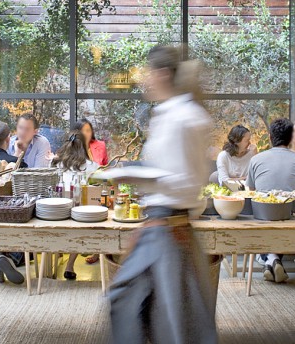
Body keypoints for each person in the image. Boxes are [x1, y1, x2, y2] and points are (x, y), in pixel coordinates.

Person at [109, 45, 217, 344]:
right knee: (172, 316)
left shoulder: (179, 118)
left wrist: (134, 176)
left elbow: (184, 182)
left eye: (147, 73)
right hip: (167, 225)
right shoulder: (180, 114)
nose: (144, 80)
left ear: (162, 74)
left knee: (152, 312)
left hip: (168, 229)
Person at [246, 118, 295, 283]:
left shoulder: (256, 159)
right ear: (290, 139)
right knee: (282, 214)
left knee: (267, 214)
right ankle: (273, 259)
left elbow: (251, 191)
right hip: (293, 216)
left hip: (263, 217)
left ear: (269, 137)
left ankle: (271, 259)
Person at [0, 115, 52, 285]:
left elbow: (37, 174)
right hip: (11, 197)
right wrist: (17, 153)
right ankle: (6, 259)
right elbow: (3, 176)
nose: (22, 132)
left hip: (34, 195)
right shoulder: (9, 144)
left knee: (26, 218)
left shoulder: (42, 143)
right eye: (20, 128)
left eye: (27, 129)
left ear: (35, 131)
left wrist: (19, 158)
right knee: (6, 216)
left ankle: (3, 259)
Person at [52, 130, 99, 279]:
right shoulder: (92, 166)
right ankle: (70, 265)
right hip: (79, 214)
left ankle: (50, 266)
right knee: (82, 222)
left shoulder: (55, 163)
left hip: (55, 212)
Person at [74, 118, 110, 265]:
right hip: (80, 190)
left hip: (98, 189)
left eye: (88, 130)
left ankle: (97, 251)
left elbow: (105, 167)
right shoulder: (73, 146)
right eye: (82, 131)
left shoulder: (100, 145)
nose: (86, 134)